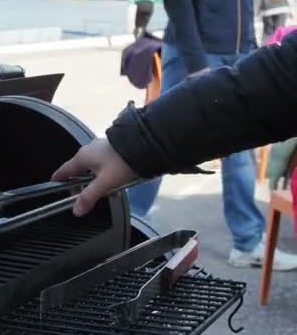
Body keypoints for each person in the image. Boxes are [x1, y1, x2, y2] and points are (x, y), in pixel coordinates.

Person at [53, 30, 297, 271]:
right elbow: (278, 81)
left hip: (235, 50)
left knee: (240, 164)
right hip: (202, 52)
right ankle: (132, 221)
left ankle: (246, 240)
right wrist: (135, 144)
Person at [122, 0, 297, 270]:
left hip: (235, 51)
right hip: (195, 53)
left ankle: (247, 242)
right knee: (161, 138)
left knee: (240, 150)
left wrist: (249, 47)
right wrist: (195, 63)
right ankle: (125, 224)